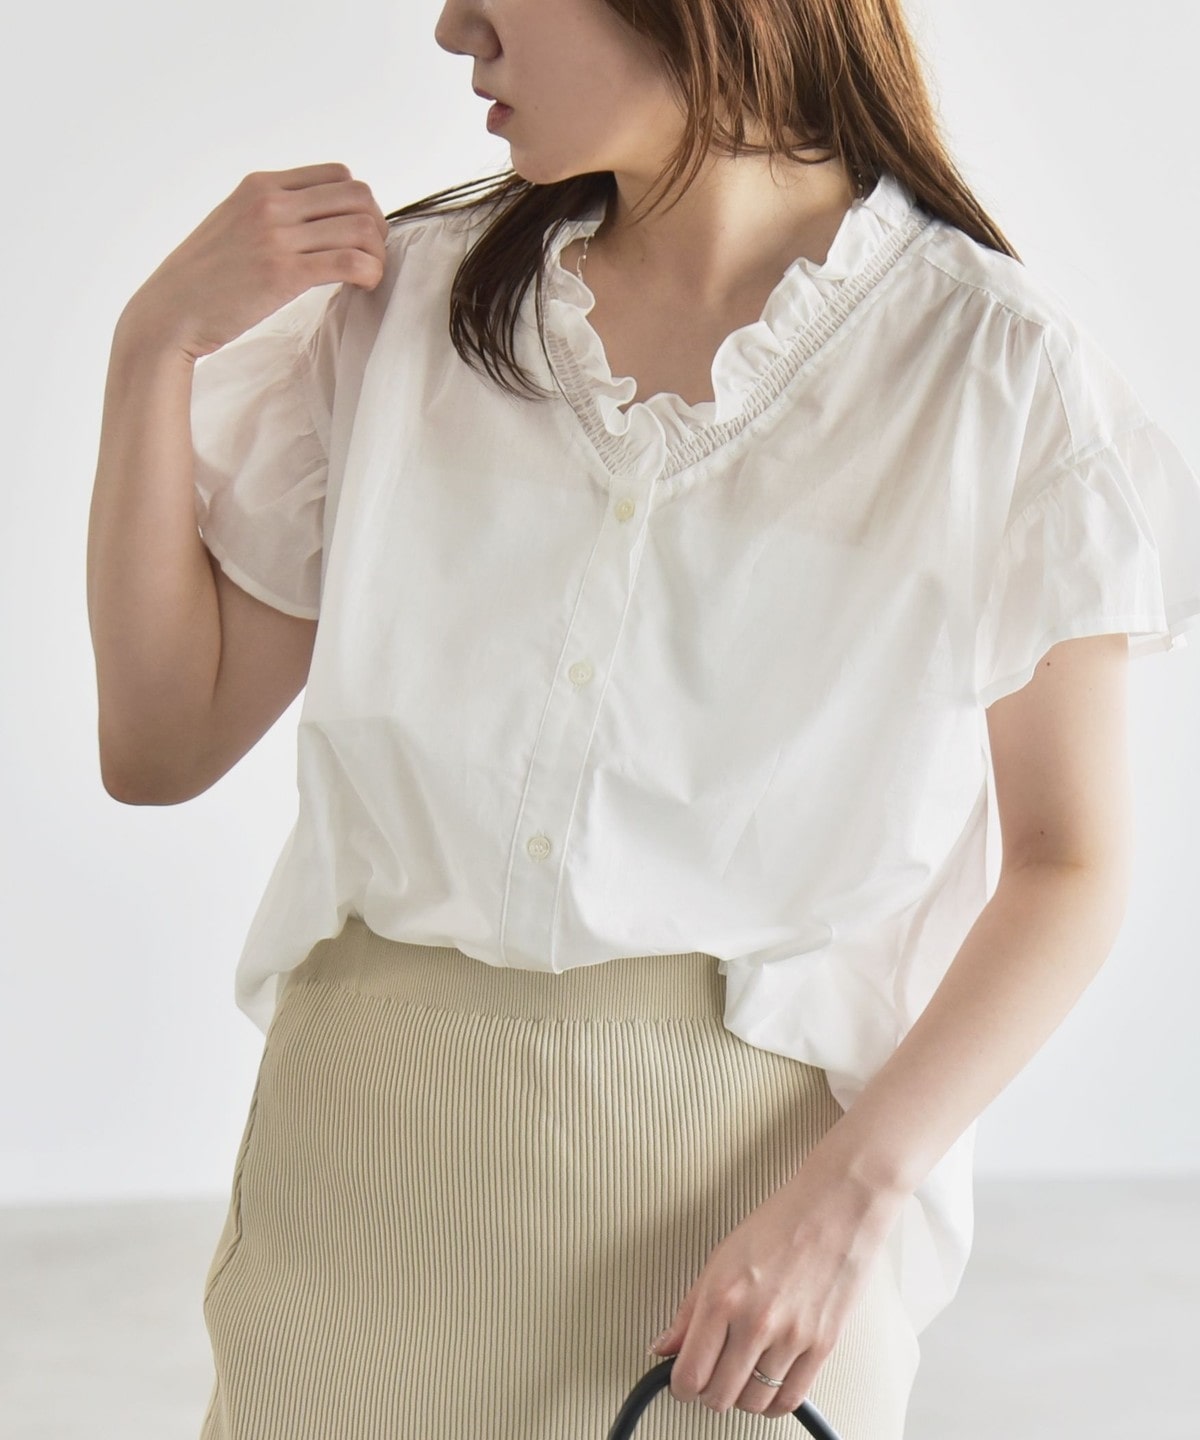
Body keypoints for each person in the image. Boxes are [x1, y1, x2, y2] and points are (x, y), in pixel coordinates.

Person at [86, 1, 1200, 1437]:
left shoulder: (990, 368)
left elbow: (1070, 865)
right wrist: (153, 347)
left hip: (741, 1244)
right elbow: (159, 748)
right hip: (358, 1189)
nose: (453, 27)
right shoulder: (404, 304)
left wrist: (849, 1203)